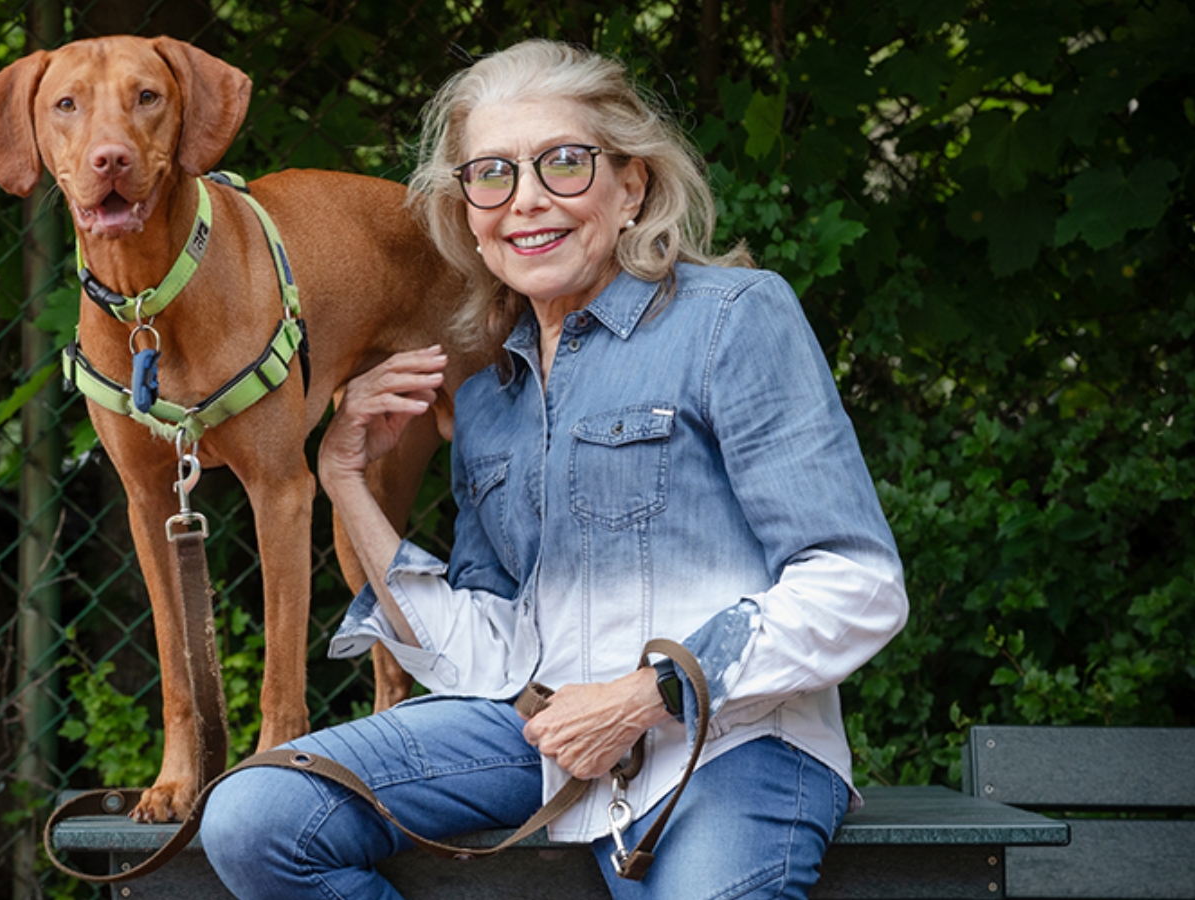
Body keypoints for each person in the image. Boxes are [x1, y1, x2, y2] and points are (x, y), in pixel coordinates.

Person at [199, 39, 908, 900]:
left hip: (738, 745)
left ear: (632, 185)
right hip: (535, 739)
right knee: (258, 815)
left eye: (565, 164)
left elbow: (857, 583)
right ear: (466, 209)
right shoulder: (491, 391)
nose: (527, 201)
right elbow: (488, 656)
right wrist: (345, 478)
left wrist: (646, 696)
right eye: (491, 174)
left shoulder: (735, 320)